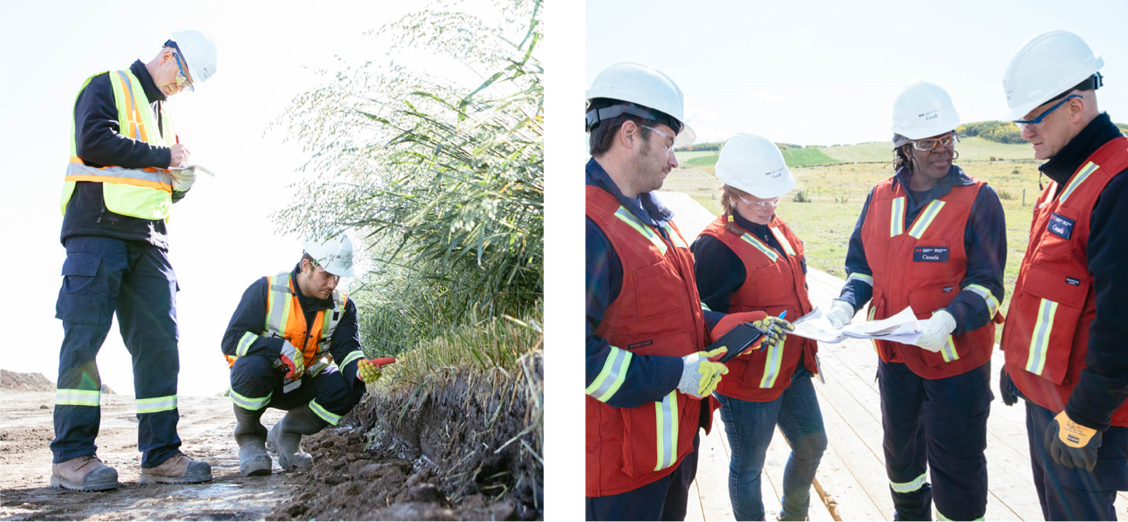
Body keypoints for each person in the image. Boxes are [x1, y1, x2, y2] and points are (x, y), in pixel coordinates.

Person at [564, 63, 791, 521]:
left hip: (668, 457)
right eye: (668, 142)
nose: (674, 159)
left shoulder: (652, 217)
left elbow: (674, 311)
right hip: (612, 481)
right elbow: (571, 358)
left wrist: (734, 325)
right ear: (630, 134)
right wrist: (676, 375)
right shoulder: (582, 226)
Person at [826, 81, 1006, 521]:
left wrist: (947, 320)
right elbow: (861, 268)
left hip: (956, 366)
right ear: (904, 146)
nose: (944, 150)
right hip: (895, 362)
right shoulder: (879, 196)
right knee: (901, 456)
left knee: (958, 464)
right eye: (931, 142)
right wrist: (845, 304)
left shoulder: (978, 200)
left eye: (949, 138)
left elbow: (988, 285)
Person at [50, 30, 219, 491]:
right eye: (182, 76)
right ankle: (72, 457)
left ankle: (160, 454)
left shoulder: (163, 116)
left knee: (160, 347)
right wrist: (165, 157)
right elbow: (94, 142)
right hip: (97, 232)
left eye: (188, 84)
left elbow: (152, 182)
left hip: (149, 243)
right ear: (168, 56)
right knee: (84, 343)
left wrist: (179, 182)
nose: (181, 86)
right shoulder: (106, 86)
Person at [997, 30, 1128, 521]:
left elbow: (1121, 320)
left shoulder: (1118, 182)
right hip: (1049, 400)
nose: (1024, 132)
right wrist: (1018, 366)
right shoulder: (1066, 177)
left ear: (1076, 107)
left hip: (1090, 417)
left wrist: (1085, 417)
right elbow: (1044, 286)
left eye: (1032, 119)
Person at [691, 133, 826, 522]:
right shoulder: (714, 248)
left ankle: (794, 516)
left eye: (774, 198)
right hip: (749, 383)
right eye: (758, 199)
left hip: (794, 367)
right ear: (731, 193)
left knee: (813, 444)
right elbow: (699, 319)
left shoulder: (777, 226)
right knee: (749, 467)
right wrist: (750, 332)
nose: (769, 207)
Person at [221, 234, 381, 476]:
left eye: (338, 276)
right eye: (327, 275)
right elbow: (231, 341)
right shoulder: (266, 290)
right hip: (261, 379)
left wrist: (359, 368)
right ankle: (251, 438)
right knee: (250, 368)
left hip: (301, 381)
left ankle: (287, 433)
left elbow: (347, 349)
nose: (333, 283)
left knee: (349, 387)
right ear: (307, 265)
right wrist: (276, 348)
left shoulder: (343, 306)